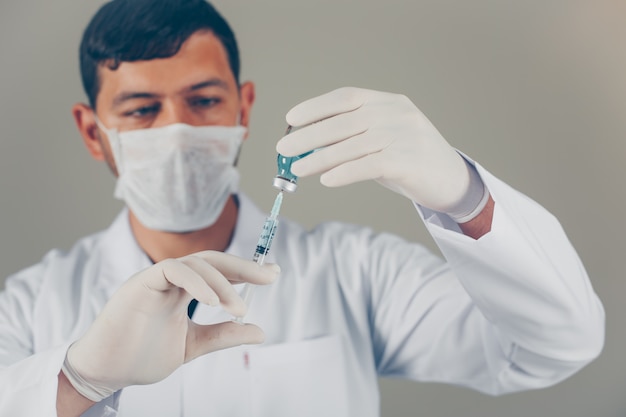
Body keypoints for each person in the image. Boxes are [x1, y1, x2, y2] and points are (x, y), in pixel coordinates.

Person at [0, 0, 605, 416]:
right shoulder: (30, 305)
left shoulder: (354, 270)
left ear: (244, 106)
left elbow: (554, 346)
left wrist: (464, 195)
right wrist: (76, 380)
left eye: (204, 99)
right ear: (91, 130)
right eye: (140, 110)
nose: (178, 131)